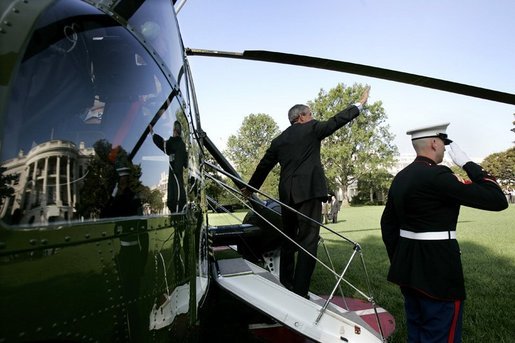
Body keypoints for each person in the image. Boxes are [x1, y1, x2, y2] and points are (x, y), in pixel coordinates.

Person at [381, 123, 508, 342]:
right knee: (441, 332)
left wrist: (400, 260)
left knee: (417, 330)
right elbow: (497, 200)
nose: (444, 149)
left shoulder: (401, 176)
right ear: (434, 143)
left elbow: (388, 226)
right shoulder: (438, 176)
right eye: (443, 144)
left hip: (408, 270)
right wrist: (468, 163)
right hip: (438, 271)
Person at [242, 86, 370, 298]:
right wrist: (359, 104)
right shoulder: (311, 128)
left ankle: (286, 282)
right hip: (308, 193)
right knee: (309, 241)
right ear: (301, 117)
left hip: (287, 196)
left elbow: (264, 166)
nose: (313, 117)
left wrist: (250, 188)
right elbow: (336, 121)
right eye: (310, 114)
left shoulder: (279, 140)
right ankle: (300, 292)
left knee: (288, 238)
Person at [149, 120, 188, 213]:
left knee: (173, 199)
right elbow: (187, 163)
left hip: (173, 179)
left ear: (174, 130)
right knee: (179, 196)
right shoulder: (183, 145)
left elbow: (162, 143)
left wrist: (153, 134)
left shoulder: (171, 143)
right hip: (179, 182)